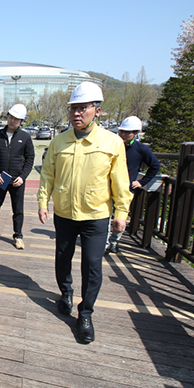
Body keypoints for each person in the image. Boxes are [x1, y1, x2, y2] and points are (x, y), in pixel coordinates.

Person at [37, 82, 132, 344]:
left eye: (82, 108)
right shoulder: (59, 141)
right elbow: (48, 175)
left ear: (97, 110)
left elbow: (120, 181)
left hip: (96, 215)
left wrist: (121, 212)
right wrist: (43, 201)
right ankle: (65, 293)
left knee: (92, 265)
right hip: (65, 214)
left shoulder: (112, 142)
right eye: (73, 109)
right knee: (62, 258)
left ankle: (86, 313)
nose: (77, 114)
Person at [0, 104, 35, 250]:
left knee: (18, 210)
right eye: (11, 117)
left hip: (17, 180)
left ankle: (18, 235)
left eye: (16, 119)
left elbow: (30, 158)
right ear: (8, 117)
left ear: (21, 121)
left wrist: (23, 177)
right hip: (1, 178)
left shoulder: (25, 137)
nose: (12, 121)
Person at [105, 116, 160, 254]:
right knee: (105, 215)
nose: (122, 134)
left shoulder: (141, 149)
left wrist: (141, 182)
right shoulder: (113, 144)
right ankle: (105, 244)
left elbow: (155, 166)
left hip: (125, 188)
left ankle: (114, 241)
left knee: (120, 220)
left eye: (127, 132)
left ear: (135, 133)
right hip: (108, 186)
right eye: (121, 131)